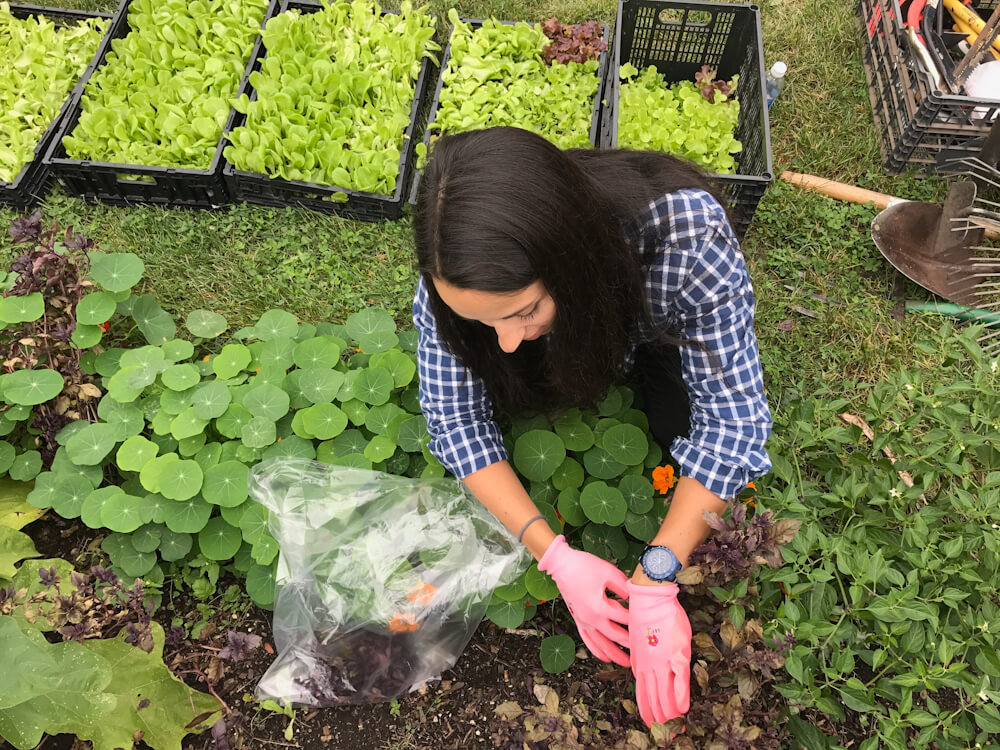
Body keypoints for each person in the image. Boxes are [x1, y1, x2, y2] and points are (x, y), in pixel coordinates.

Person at [411, 126, 771, 727]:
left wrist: (657, 577)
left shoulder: (685, 238)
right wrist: (553, 555)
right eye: (479, 320)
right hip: (579, 322)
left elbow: (733, 425)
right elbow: (455, 419)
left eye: (523, 310)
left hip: (641, 325)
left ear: (569, 257)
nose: (503, 340)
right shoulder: (456, 274)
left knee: (675, 420)